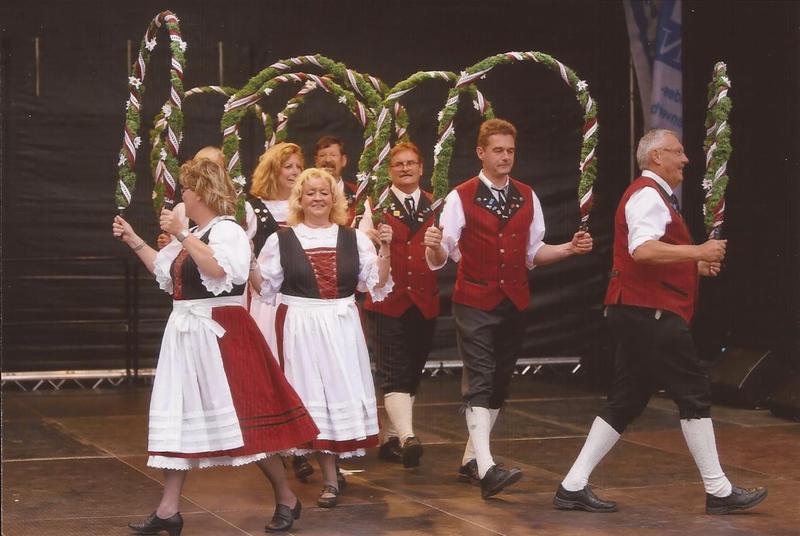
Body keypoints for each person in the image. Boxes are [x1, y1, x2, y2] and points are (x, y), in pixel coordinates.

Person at [553, 129, 767, 515]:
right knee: (693, 390)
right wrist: (698, 251)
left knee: (627, 398)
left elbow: (649, 253)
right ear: (656, 157)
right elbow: (643, 249)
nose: (685, 159)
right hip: (649, 311)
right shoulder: (648, 195)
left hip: (635, 309)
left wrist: (693, 265)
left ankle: (572, 485)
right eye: (677, 152)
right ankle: (718, 489)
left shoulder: (652, 195)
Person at [113, 158, 319, 534]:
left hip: (222, 334)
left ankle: (286, 497)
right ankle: (168, 509)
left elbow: (220, 270)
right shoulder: (195, 233)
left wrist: (181, 234)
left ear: (202, 193)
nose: (182, 195)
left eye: (186, 189)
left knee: (246, 421)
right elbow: (165, 272)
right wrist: (134, 240)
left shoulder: (227, 231)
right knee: (178, 417)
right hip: (186, 334)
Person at [424, 118, 593, 499]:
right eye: (498, 150)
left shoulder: (527, 196)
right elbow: (439, 257)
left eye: (510, 151)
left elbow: (534, 252)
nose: (505, 157)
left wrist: (569, 248)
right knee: (480, 380)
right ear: (481, 153)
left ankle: (472, 459)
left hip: (513, 300)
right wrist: (432, 246)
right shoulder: (461, 197)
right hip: (475, 300)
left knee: (499, 383)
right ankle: (487, 469)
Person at [251, 167, 393, 508]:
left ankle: (332, 472)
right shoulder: (281, 240)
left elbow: (376, 282)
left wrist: (386, 248)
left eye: (323, 192)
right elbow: (264, 288)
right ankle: (329, 478)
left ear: (334, 198)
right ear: (299, 199)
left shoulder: (353, 238)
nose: (317, 198)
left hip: (342, 324)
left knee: (337, 395)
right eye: (310, 192)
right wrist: (249, 259)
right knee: (312, 395)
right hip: (300, 325)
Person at [359, 142, 440, 468]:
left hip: (423, 300)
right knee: (393, 369)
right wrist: (373, 240)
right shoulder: (375, 204)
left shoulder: (436, 203)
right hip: (386, 300)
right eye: (398, 164)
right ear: (389, 170)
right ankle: (408, 437)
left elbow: (445, 253)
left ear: (421, 168)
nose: (405, 168)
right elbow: (361, 245)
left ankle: (392, 438)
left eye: (411, 163)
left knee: (413, 370)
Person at [246, 142, 304, 353]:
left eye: (299, 167)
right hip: (267, 297)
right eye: (288, 166)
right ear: (272, 170)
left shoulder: (306, 207)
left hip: (301, 295)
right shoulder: (252, 209)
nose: (295, 171)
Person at [314, 135, 357, 224]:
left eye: (333, 155)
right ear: (316, 161)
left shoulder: (357, 193)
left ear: (343, 160)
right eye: (322, 155)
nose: (328, 160)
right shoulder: (305, 193)